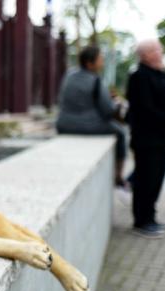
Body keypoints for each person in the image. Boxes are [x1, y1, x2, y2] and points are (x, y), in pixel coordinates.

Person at [126, 39, 165, 238]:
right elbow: (145, 109)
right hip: (147, 140)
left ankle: (150, 217)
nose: (161, 52)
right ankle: (141, 221)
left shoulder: (161, 74)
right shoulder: (139, 77)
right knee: (145, 180)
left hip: (162, 139)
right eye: (157, 49)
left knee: (157, 179)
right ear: (147, 54)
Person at [57, 45, 127, 186]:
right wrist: (117, 104)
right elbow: (107, 110)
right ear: (90, 63)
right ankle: (118, 176)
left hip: (63, 124)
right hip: (86, 125)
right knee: (121, 132)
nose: (102, 62)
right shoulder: (95, 80)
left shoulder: (69, 75)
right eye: (100, 59)